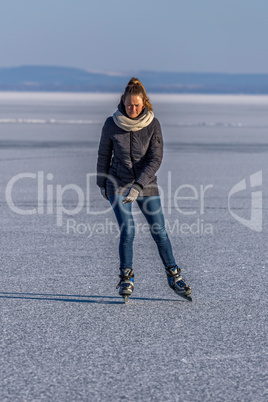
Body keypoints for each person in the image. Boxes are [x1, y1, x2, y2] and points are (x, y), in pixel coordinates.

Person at [96, 77, 191, 301]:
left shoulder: (153, 124)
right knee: (128, 230)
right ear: (123, 102)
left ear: (144, 103)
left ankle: (174, 275)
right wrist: (102, 183)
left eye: (137, 105)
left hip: (146, 184)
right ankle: (126, 277)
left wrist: (139, 185)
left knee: (159, 231)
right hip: (117, 183)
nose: (133, 109)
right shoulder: (111, 123)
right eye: (129, 105)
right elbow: (103, 155)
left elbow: (155, 159)